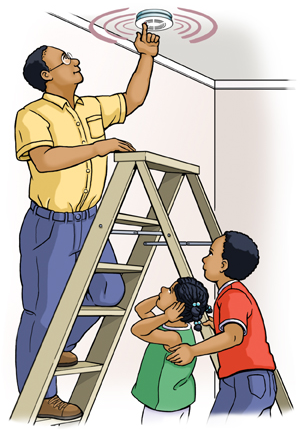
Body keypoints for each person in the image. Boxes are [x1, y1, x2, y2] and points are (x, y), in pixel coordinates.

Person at [15, 22, 159, 420]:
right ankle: (41, 397)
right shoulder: (33, 114)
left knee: (110, 291)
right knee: (41, 312)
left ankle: (61, 344)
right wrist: (102, 145)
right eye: (64, 60)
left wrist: (146, 56)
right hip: (51, 226)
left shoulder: (89, 107)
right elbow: (45, 160)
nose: (74, 61)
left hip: (92, 221)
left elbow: (132, 99)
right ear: (47, 75)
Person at [167, 231, 277, 421]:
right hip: (238, 379)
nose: (204, 258)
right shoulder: (230, 294)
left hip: (248, 379)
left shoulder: (232, 295)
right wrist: (216, 324)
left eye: (211, 253)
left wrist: (192, 351)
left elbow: (233, 336)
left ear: (224, 265)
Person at [131, 277, 211, 425]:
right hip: (176, 400)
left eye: (169, 290)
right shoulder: (168, 326)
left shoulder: (173, 337)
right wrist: (163, 300)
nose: (162, 289)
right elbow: (140, 310)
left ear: (178, 306)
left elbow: (137, 330)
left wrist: (166, 314)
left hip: (164, 403)